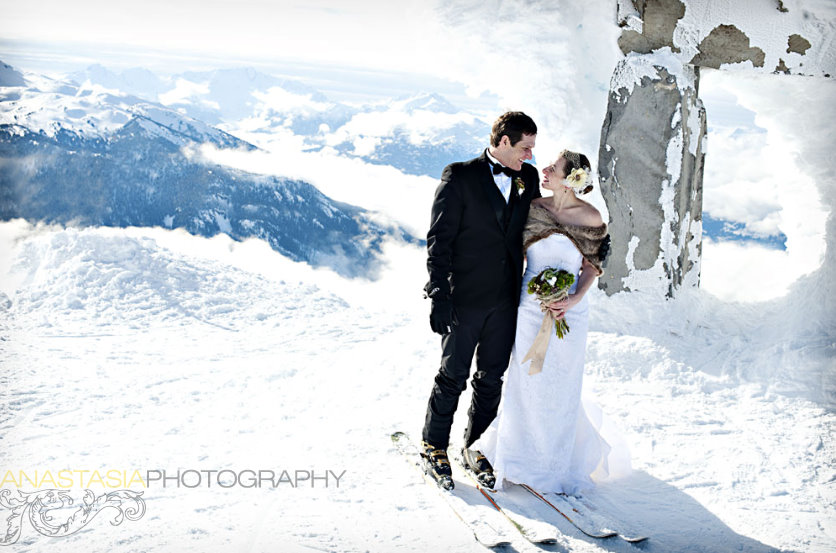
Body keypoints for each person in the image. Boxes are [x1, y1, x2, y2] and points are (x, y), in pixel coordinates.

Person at [471, 149, 618, 495]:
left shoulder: (592, 217)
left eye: (554, 167)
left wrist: (572, 298)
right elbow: (514, 254)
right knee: (526, 381)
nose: (545, 170)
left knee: (561, 385)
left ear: (571, 179)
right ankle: (517, 457)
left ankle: (555, 463)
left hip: (571, 314)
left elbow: (592, 267)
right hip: (529, 308)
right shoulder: (534, 208)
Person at [420, 111, 541, 489]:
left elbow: (540, 226)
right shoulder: (460, 176)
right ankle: (433, 445)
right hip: (465, 296)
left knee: (492, 377)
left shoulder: (529, 178)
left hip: (507, 297)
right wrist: (438, 293)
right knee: (453, 376)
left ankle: (477, 447)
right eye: (526, 148)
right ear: (504, 141)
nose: (531, 156)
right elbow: (439, 240)